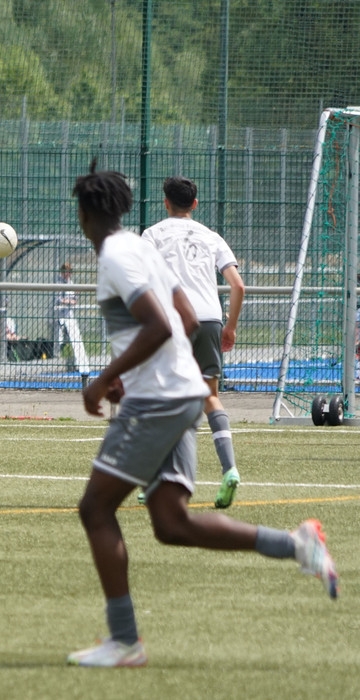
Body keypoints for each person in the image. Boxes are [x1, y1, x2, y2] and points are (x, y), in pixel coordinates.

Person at [66, 162, 338, 669]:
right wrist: (140, 367)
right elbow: (187, 318)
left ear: (84, 214)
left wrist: (105, 378)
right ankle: (296, 545)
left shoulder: (117, 256)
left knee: (95, 510)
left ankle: (124, 642)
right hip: (184, 391)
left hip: (157, 401)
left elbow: (157, 326)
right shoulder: (141, 248)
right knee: (170, 522)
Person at [141, 176, 246, 508]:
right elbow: (238, 286)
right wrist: (229, 327)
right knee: (210, 397)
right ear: (195, 204)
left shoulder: (152, 235)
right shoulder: (212, 237)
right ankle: (229, 469)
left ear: (165, 203)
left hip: (174, 320)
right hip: (211, 319)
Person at [50, 262, 91, 384]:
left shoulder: (71, 283)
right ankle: (54, 359)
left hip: (69, 316)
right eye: (66, 271)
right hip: (58, 316)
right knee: (59, 341)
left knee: (76, 340)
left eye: (69, 271)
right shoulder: (57, 283)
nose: (67, 274)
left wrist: (70, 300)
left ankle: (83, 367)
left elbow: (74, 300)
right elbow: (58, 300)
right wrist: (68, 301)